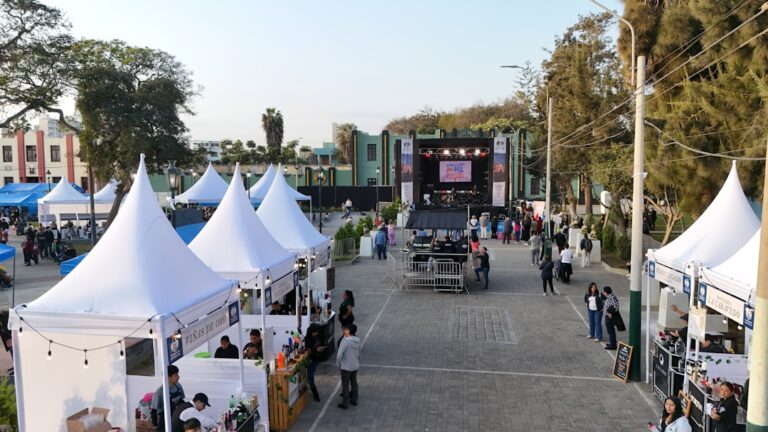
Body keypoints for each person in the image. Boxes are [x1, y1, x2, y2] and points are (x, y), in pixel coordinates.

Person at [152, 365, 185, 431]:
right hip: (164, 422)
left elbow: (181, 401)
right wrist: (155, 425)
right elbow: (154, 411)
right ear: (168, 377)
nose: (178, 377)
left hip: (176, 418)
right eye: (175, 375)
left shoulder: (178, 386)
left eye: (178, 374)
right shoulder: (160, 392)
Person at [336, 324, 361, 409]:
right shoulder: (358, 340)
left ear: (349, 331)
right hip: (355, 365)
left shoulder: (345, 341)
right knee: (354, 383)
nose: (344, 331)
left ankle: (345, 403)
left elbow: (339, 355)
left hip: (346, 367)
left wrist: (338, 364)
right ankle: (354, 399)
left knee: (345, 385)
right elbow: (359, 352)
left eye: (345, 329)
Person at [305, 325, 327, 401]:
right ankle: (315, 393)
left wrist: (321, 348)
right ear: (312, 332)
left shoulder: (315, 337)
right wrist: (316, 350)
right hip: (311, 360)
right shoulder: (307, 340)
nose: (317, 333)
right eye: (316, 332)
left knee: (311, 375)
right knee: (310, 377)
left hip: (316, 360)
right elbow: (308, 350)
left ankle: (311, 388)